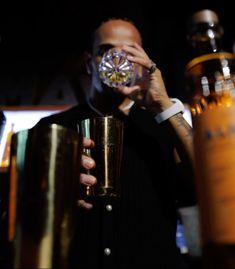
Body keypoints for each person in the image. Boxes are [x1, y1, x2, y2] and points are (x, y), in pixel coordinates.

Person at [37, 18, 196, 269]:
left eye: (129, 53)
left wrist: (165, 106)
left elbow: (207, 181)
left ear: (141, 65)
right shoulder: (53, 128)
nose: (117, 61)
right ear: (90, 63)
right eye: (106, 51)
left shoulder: (163, 125)